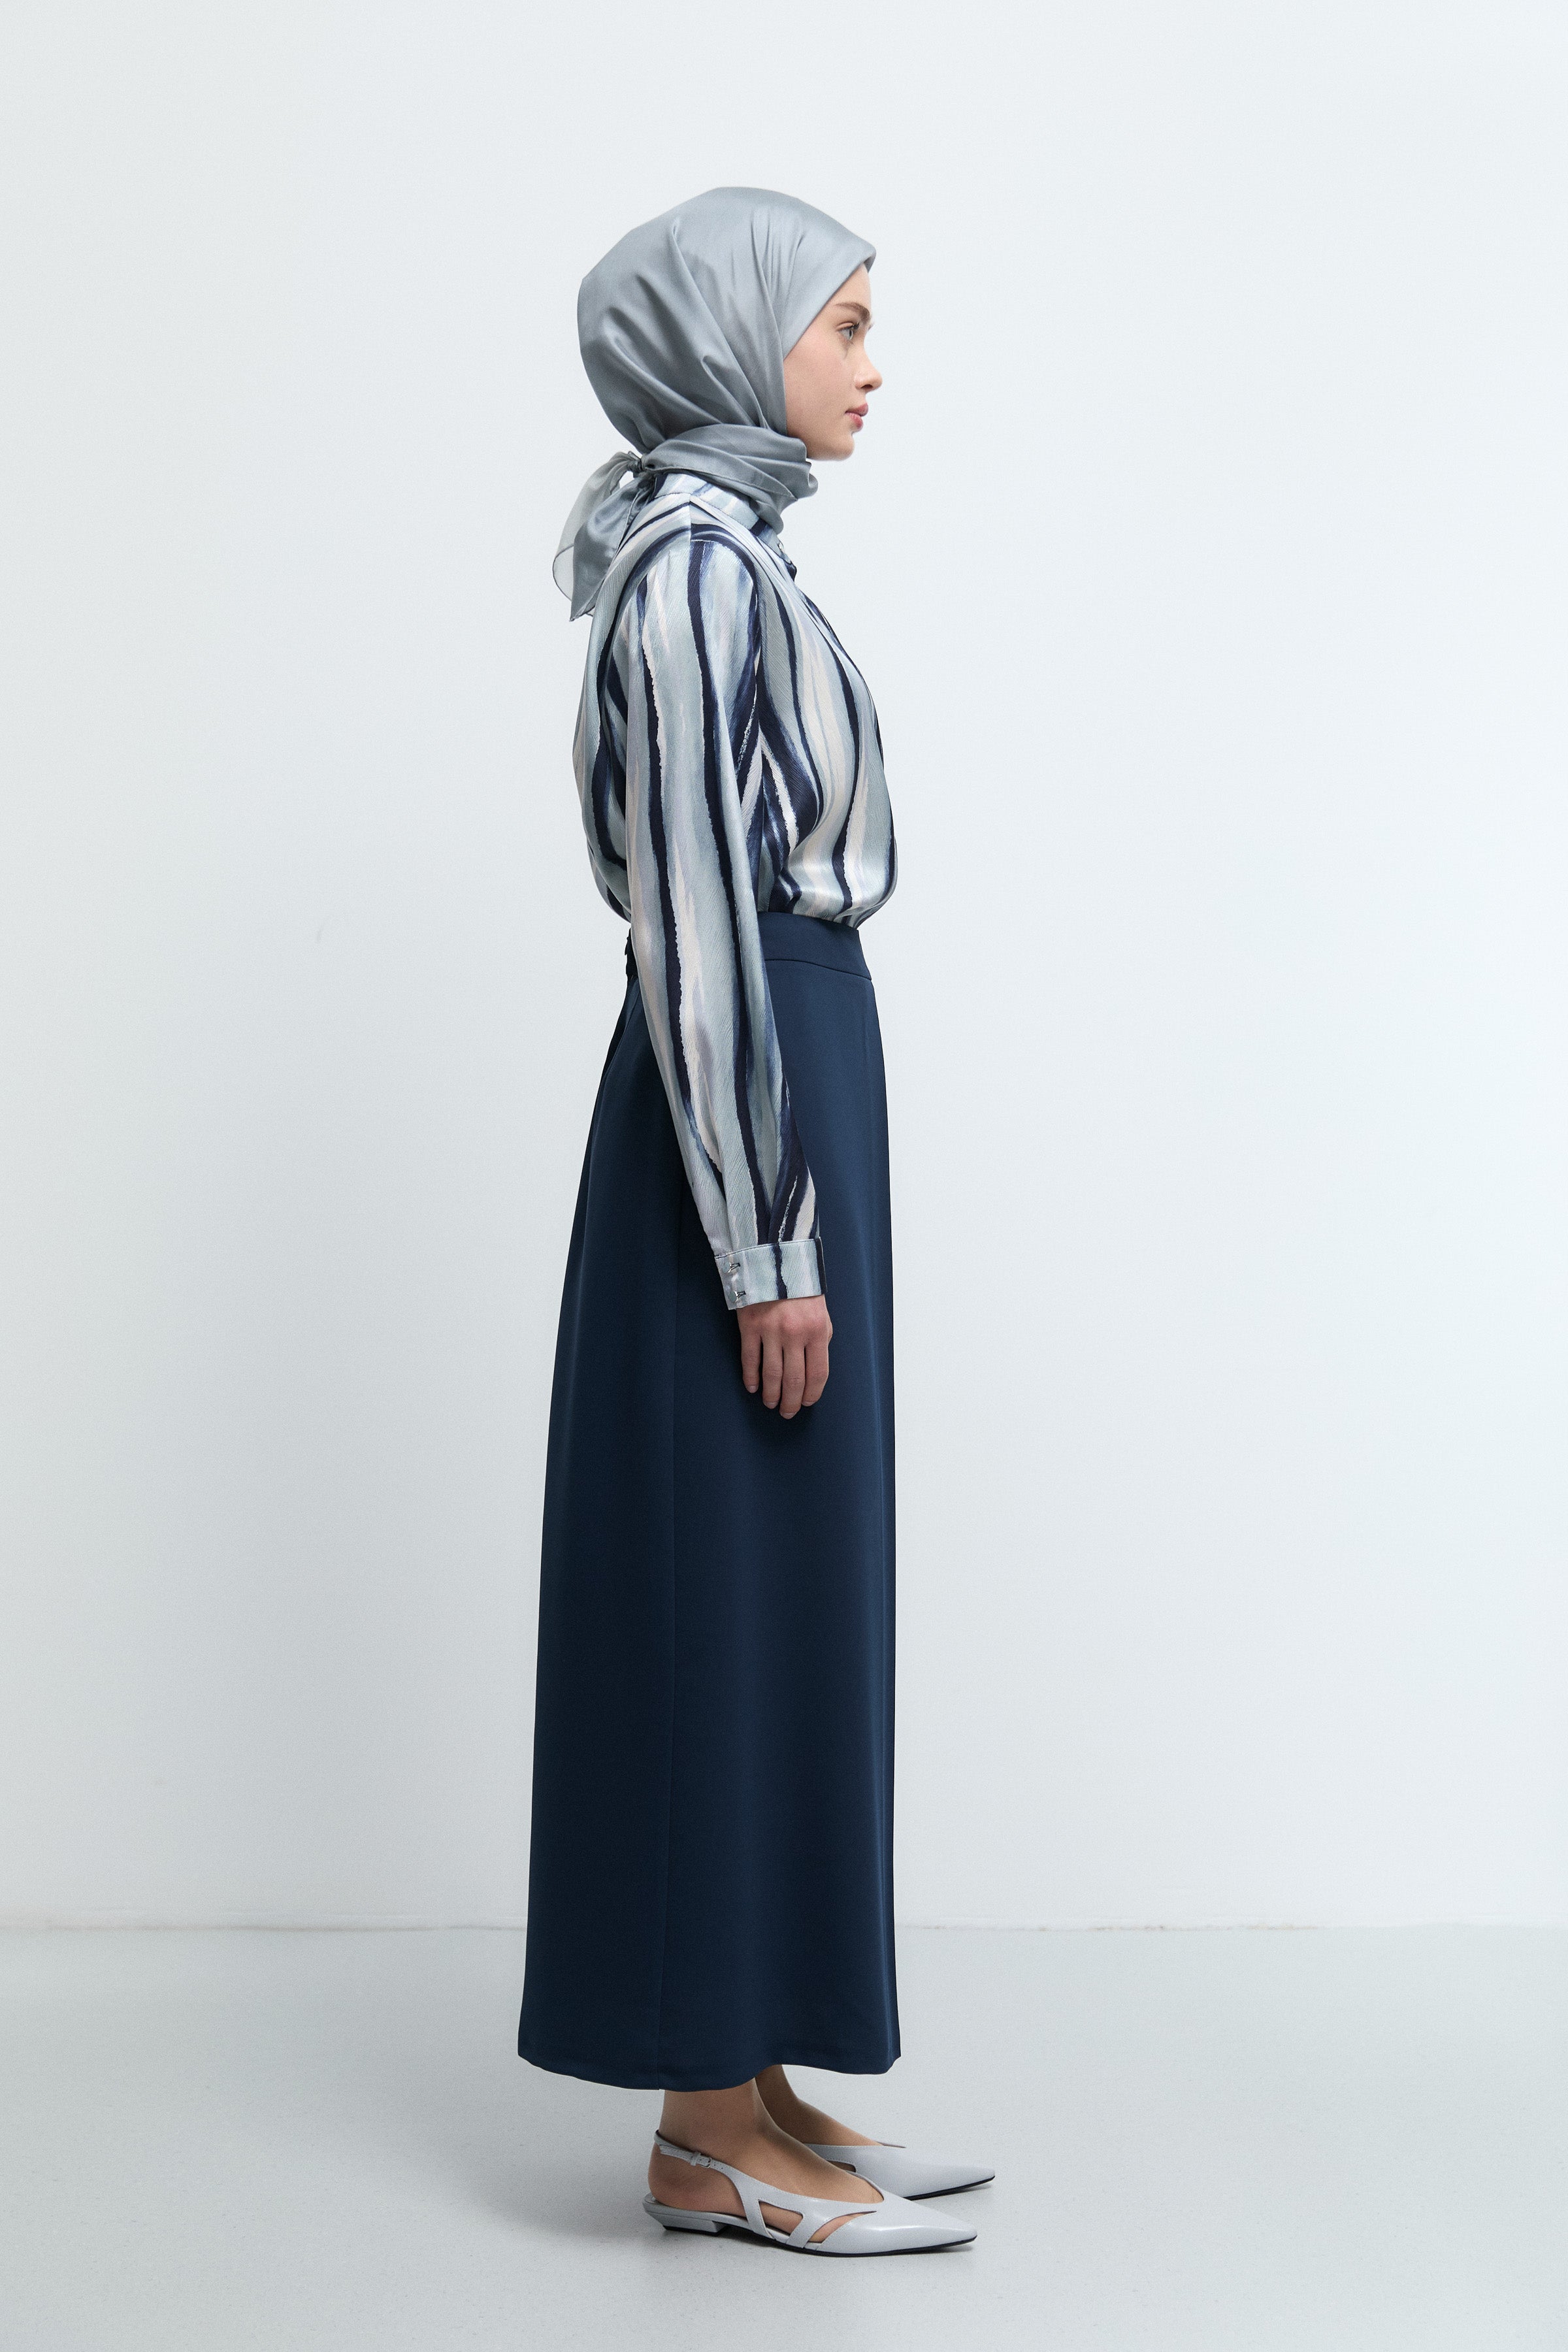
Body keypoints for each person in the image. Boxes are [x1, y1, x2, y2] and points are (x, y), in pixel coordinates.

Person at [517, 187, 991, 2256]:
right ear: (738, 339)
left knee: (782, 1583)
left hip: (795, 1077)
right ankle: (705, 2131)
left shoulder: (727, 554)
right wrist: (767, 1240)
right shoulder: (696, 574)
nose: (874, 365)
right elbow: (699, 919)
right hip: (751, 1098)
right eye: (846, 324)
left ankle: (764, 2084)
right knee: (718, 1582)